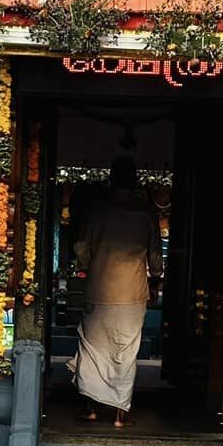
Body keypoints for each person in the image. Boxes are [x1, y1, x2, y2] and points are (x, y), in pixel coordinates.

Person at [71, 156, 163, 427]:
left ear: (110, 180)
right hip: (132, 293)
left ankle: (90, 407)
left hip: (99, 289)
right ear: (135, 182)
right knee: (125, 351)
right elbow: (156, 256)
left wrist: (88, 264)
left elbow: (81, 250)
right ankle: (120, 415)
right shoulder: (146, 213)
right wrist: (156, 278)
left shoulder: (97, 211)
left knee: (92, 349)